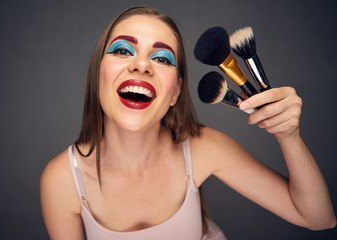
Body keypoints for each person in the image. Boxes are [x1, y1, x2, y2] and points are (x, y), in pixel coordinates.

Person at [40, 6, 336, 240]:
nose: (141, 64)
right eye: (122, 50)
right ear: (98, 75)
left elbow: (318, 218)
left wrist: (289, 136)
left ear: (175, 92)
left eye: (161, 58)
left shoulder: (202, 148)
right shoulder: (61, 180)